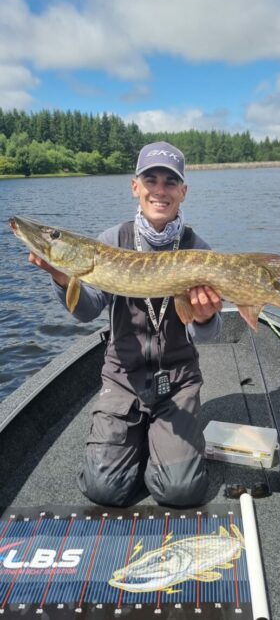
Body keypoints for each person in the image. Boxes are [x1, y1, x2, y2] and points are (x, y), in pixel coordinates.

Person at [29, 141, 222, 507]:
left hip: (177, 383)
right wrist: (60, 277)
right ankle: (147, 444)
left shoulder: (199, 250)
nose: (160, 190)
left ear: (183, 192)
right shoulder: (109, 243)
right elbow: (87, 310)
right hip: (123, 379)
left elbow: (210, 334)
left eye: (170, 182)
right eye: (151, 179)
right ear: (136, 186)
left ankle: (162, 445)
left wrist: (206, 315)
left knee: (181, 491)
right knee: (102, 489)